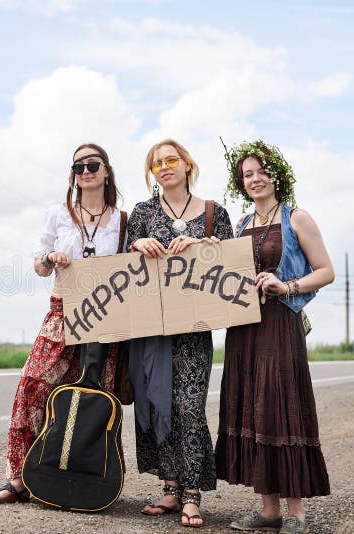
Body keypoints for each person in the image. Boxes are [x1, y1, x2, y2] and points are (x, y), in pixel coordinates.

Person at [0, 143, 125, 505]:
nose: (86, 171)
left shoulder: (122, 220)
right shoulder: (58, 214)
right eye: (78, 166)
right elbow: (38, 265)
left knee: (94, 398)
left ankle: (84, 477)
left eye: (93, 164)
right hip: (63, 310)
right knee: (33, 386)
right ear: (73, 174)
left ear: (106, 171)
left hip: (105, 315)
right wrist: (50, 256)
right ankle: (17, 478)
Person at [215, 140, 334, 534]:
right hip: (244, 328)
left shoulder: (297, 218)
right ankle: (268, 510)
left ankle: (296, 513)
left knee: (280, 404)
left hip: (280, 324)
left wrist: (287, 285)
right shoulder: (242, 225)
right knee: (252, 406)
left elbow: (326, 270)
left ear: (276, 174)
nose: (254, 179)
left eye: (260, 171)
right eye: (246, 174)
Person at [126, 138, 233, 528]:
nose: (165, 168)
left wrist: (205, 245)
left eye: (172, 160)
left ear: (187, 164)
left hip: (193, 328)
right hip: (152, 328)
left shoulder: (212, 212)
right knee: (157, 406)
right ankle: (170, 488)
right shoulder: (142, 211)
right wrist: (137, 242)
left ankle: (193, 493)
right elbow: (123, 259)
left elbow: (230, 260)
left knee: (189, 407)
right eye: (157, 164)